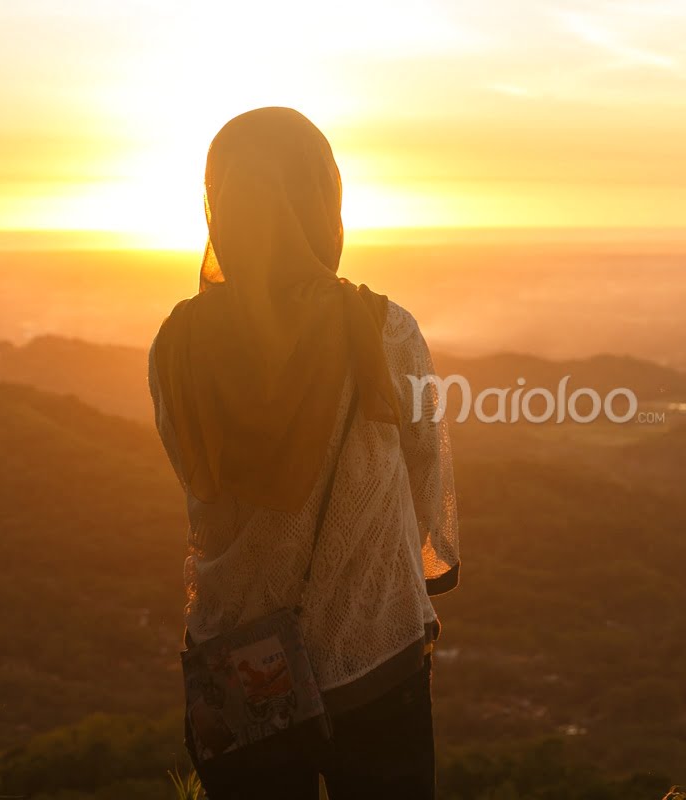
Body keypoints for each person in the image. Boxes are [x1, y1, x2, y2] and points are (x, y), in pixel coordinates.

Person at [148, 107, 459, 799]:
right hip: (374, 644)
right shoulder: (383, 330)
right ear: (324, 200)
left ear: (218, 201)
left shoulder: (177, 344)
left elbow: (190, 470)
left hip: (239, 661)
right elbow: (423, 470)